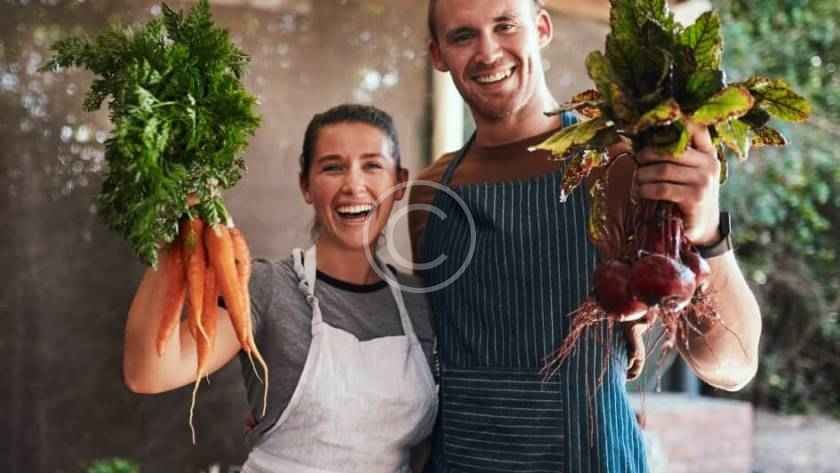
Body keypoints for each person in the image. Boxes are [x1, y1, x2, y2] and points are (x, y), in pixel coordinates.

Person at [408, 0, 762, 471]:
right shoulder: (429, 195)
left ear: (542, 28)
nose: (488, 52)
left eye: (505, 25)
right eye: (462, 36)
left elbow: (731, 365)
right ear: (437, 54)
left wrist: (708, 232)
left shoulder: (624, 167)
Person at [123, 104, 438, 473]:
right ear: (306, 185)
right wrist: (179, 234)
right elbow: (149, 372)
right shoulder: (267, 288)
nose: (354, 185)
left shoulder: (423, 303)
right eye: (332, 167)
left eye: (372, 166)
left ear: (399, 183)